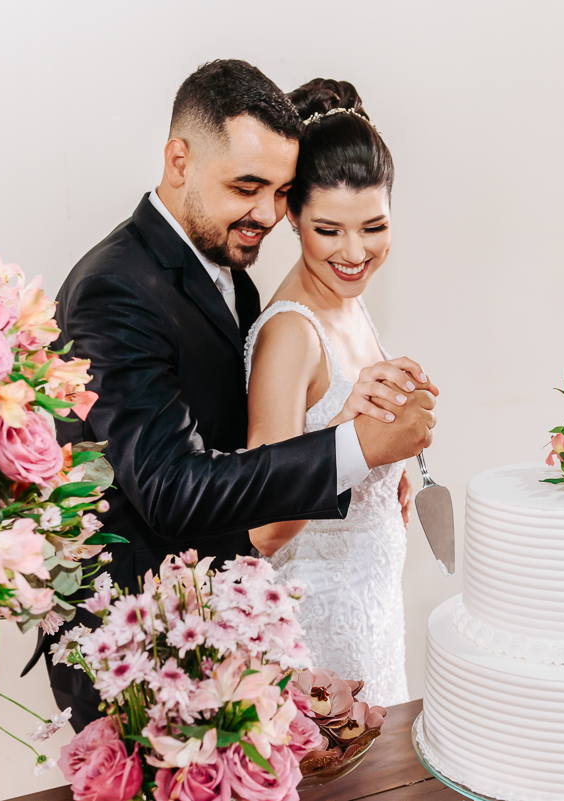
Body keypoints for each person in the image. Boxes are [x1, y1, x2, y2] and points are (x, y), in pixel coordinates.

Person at [31, 60, 438, 730]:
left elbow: (245, 443)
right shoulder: (115, 288)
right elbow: (171, 486)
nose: (267, 215)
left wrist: (367, 458)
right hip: (137, 656)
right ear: (178, 159)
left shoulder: (229, 271)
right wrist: (350, 449)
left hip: (222, 636)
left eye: (279, 192)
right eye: (246, 187)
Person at [243, 79, 415, 706]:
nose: (354, 252)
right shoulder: (291, 332)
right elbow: (259, 525)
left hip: (375, 611)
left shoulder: (349, 302)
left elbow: (359, 434)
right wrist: (357, 441)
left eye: (374, 227)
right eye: (328, 230)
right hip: (319, 628)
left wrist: (391, 466)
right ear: (291, 214)